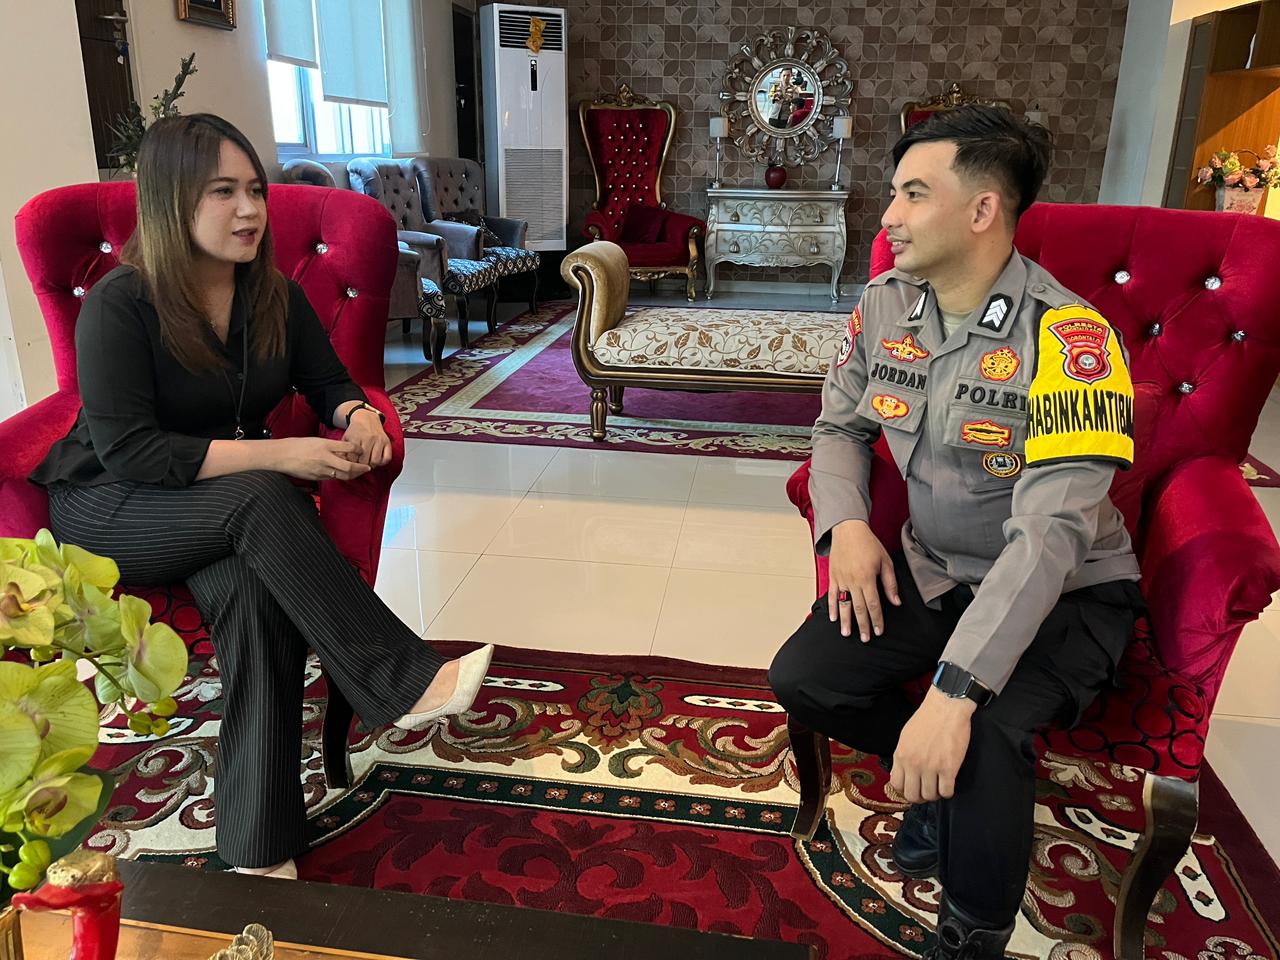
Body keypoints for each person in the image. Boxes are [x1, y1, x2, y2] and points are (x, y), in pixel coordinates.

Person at [30, 113, 493, 880]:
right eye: (223, 192)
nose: (249, 209)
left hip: (212, 504)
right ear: (172, 200)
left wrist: (359, 415)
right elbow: (131, 451)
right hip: (111, 502)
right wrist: (285, 453)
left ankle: (258, 847)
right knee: (264, 495)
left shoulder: (271, 293)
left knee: (253, 592)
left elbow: (330, 380)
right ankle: (398, 679)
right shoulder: (121, 304)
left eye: (254, 190)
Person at [768, 106, 1145, 959]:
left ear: (981, 210)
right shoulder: (885, 304)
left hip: (1066, 592)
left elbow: (1048, 538)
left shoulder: (1071, 341)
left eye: (913, 194)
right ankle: (939, 794)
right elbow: (838, 427)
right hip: (936, 568)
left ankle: (973, 932)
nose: (888, 217)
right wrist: (847, 526)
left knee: (985, 730)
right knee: (805, 678)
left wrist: (953, 695)